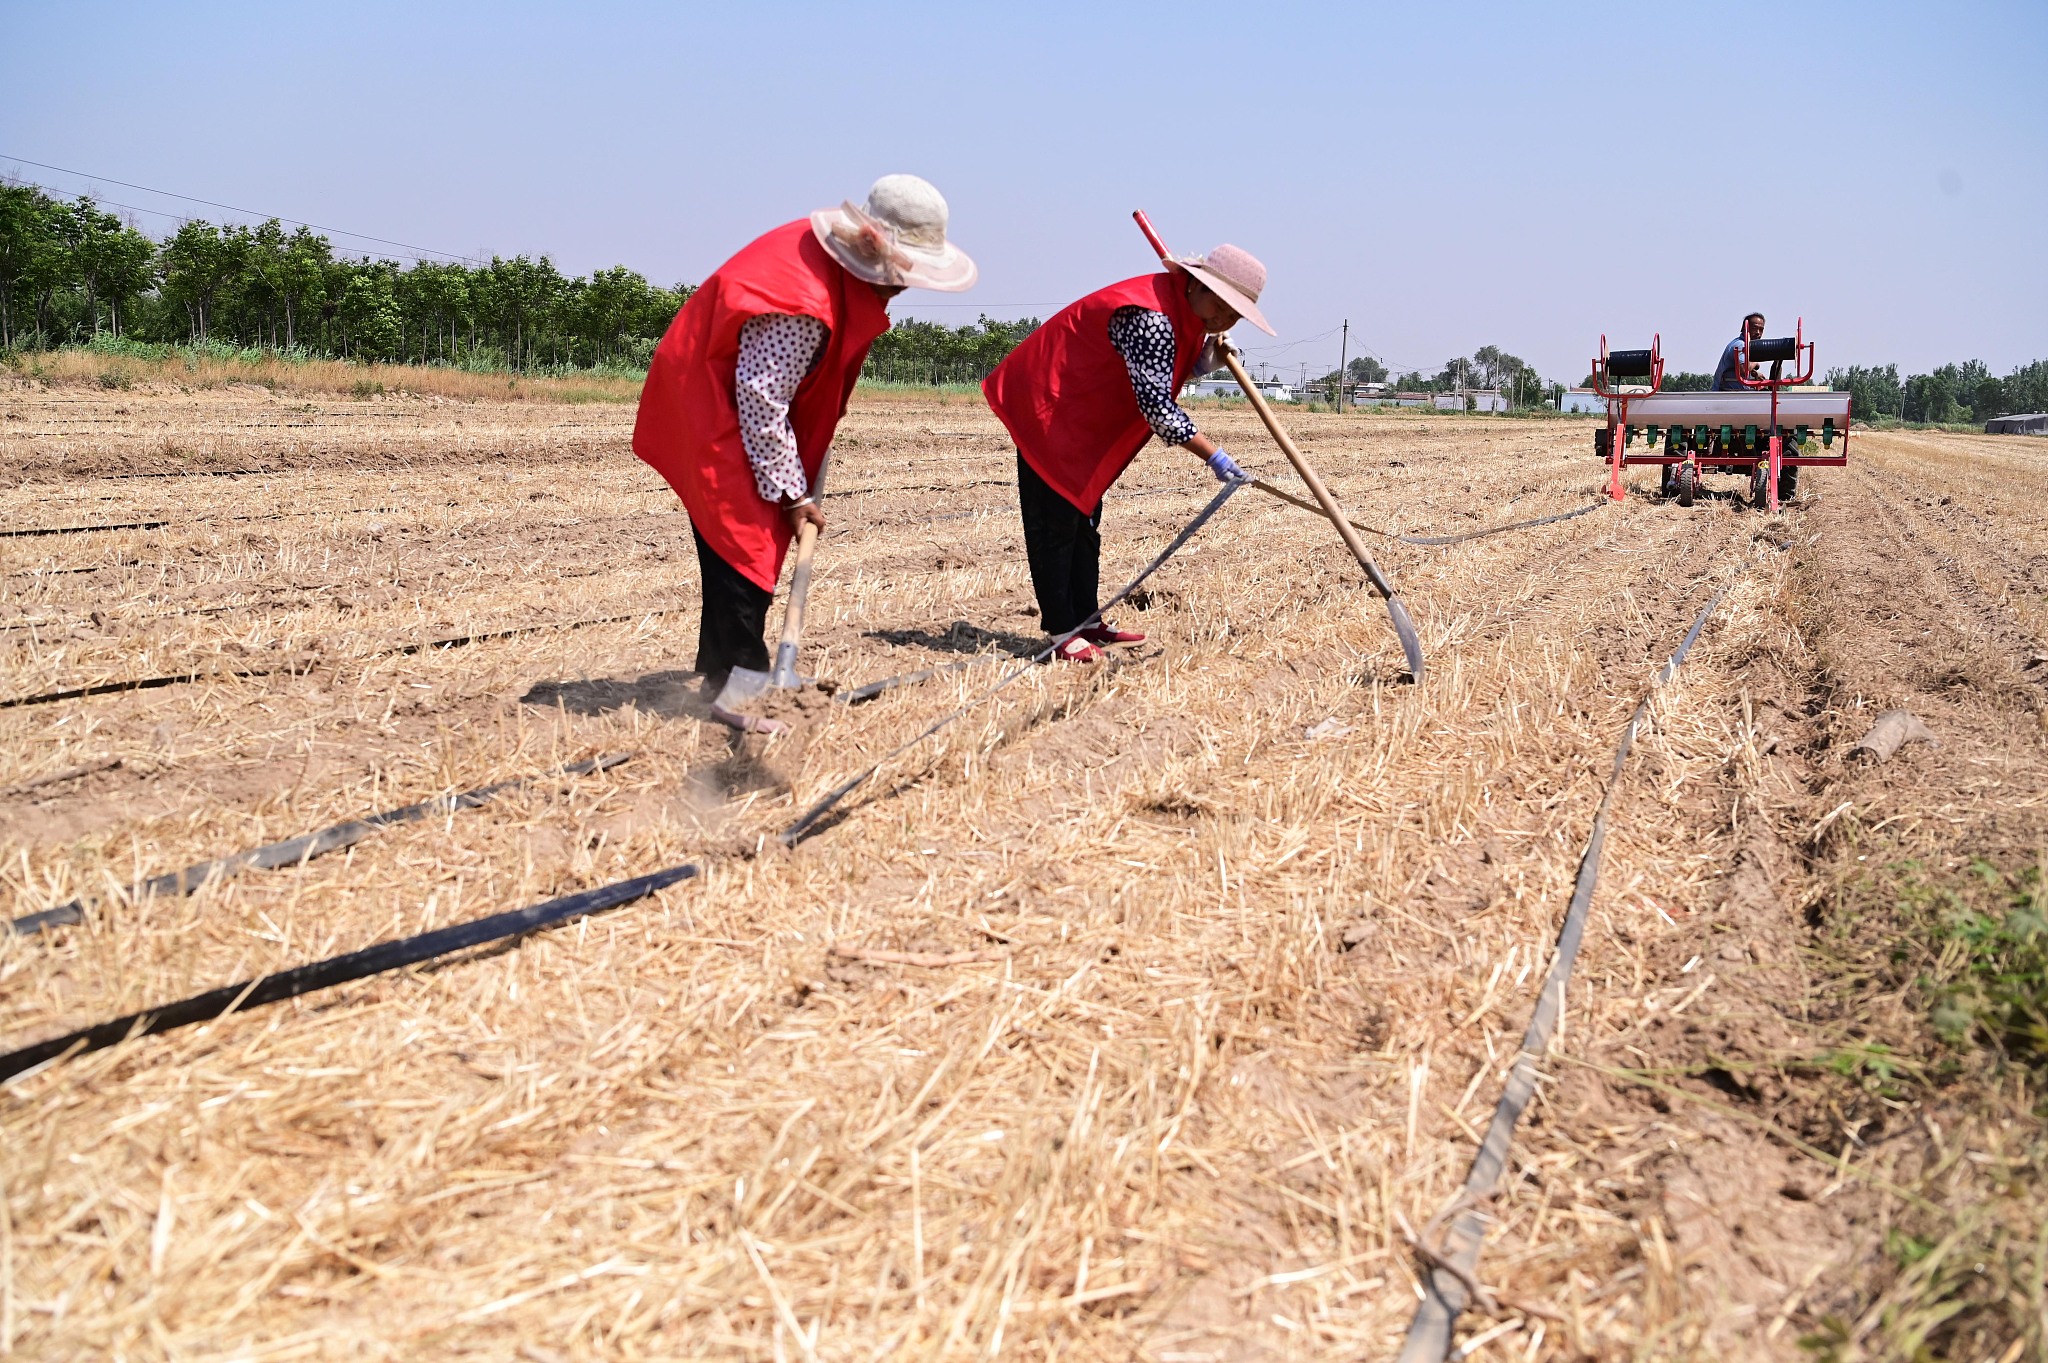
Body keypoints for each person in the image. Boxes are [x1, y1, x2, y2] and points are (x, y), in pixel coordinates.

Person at [632, 175, 976, 731]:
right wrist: (791, 493)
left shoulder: (825, 269)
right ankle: (741, 686)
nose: (907, 286)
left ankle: (725, 673)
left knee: (739, 538)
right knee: (743, 540)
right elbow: (762, 398)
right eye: (904, 271)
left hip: (728, 390)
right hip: (711, 399)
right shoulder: (802, 301)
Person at [981, 242, 1274, 662]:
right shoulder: (1151, 316)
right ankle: (1061, 630)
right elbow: (1157, 407)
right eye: (1223, 306)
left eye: (1235, 314)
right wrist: (1213, 454)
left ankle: (1087, 618)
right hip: (1051, 407)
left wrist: (1202, 360)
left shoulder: (1186, 313)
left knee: (1085, 523)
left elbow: (1159, 366)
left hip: (1083, 418)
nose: (1227, 319)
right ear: (1196, 285)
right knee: (1056, 524)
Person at [1710, 310, 1797, 500]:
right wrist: (1756, 365)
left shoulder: (1747, 347)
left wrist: (1757, 375)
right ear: (1745, 328)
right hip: (1727, 401)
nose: (1758, 333)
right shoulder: (1740, 345)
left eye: (1761, 330)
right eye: (1755, 329)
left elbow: (1745, 373)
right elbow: (1743, 368)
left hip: (1742, 401)